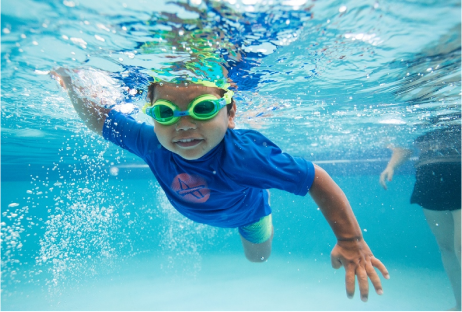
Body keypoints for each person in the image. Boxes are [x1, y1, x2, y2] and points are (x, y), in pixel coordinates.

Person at [52, 68, 389, 302]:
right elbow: (101, 119)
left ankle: (261, 197)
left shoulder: (245, 157)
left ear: (230, 115)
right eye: (166, 113)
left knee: (258, 259)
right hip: (202, 208)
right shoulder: (150, 143)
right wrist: (73, 83)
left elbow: (316, 177)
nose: (183, 125)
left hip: (248, 214)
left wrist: (350, 239)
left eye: (202, 109)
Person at [380, 126, 462, 312]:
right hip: (429, 176)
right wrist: (391, 166)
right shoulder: (413, 108)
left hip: (460, 171)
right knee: (447, 248)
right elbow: (404, 148)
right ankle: (460, 304)